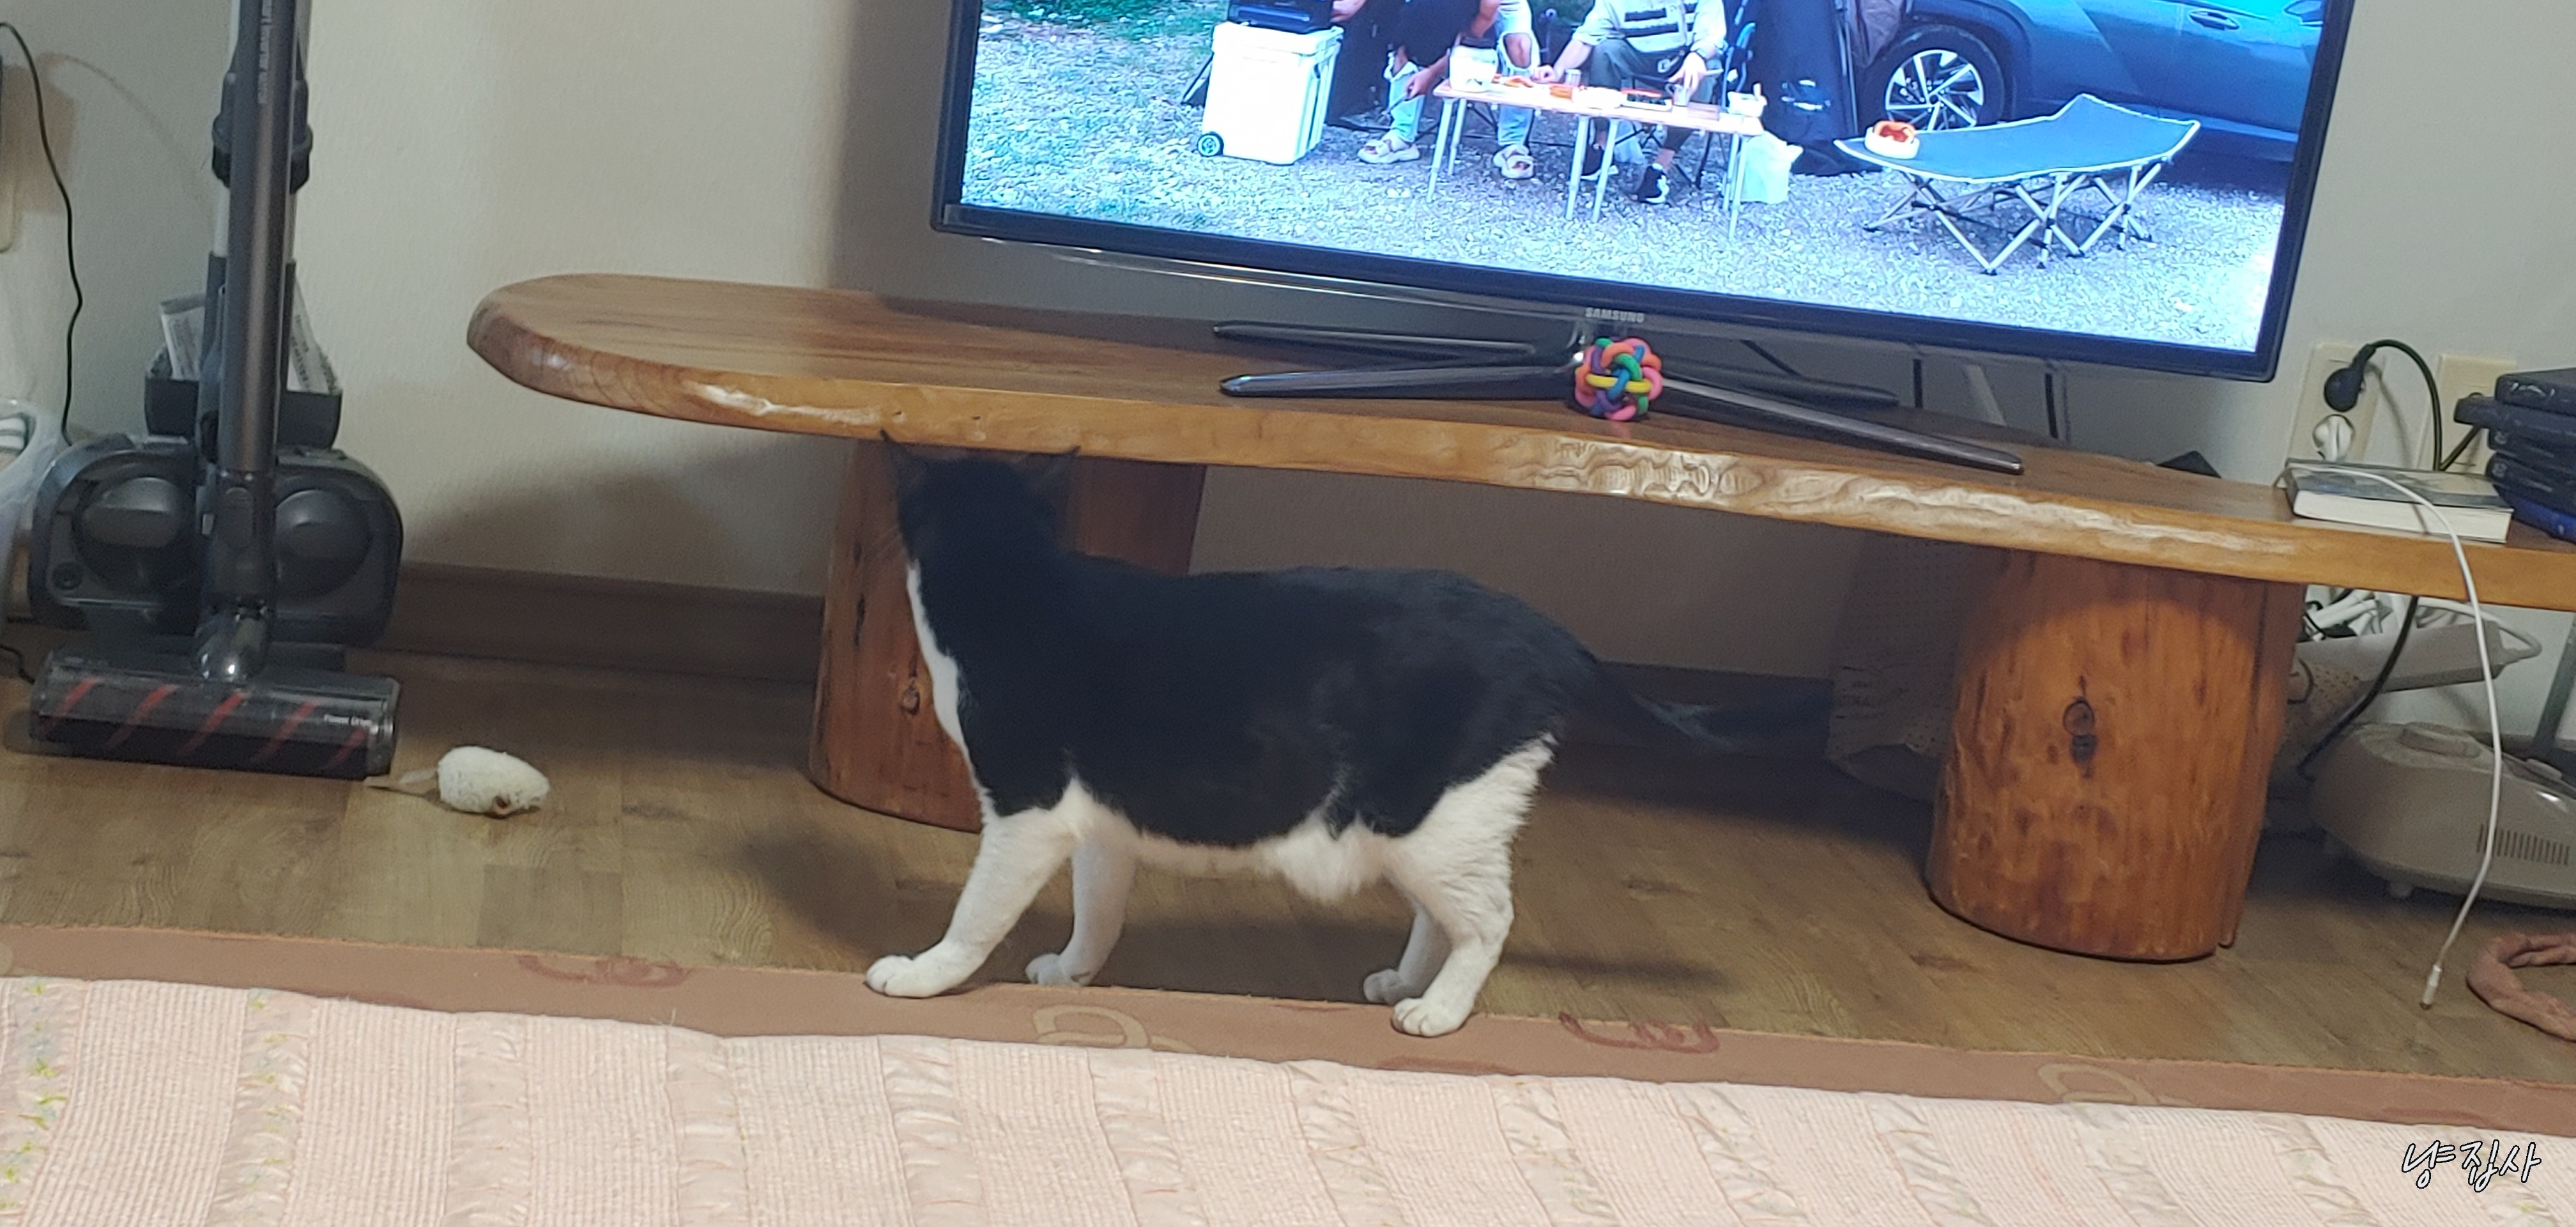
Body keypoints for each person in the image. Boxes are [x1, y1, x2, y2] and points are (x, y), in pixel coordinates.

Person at [1531, 0, 1729, 204]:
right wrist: (1557, 71)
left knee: (1707, 66)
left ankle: (1662, 164)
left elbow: (1712, 36)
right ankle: (1602, 145)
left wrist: (1698, 55)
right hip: (1640, 55)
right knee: (1607, 49)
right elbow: (1586, 37)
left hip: (1686, 58)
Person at [1353, 0, 1497, 166]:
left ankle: (1512, 143)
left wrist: (1432, 72)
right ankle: (1402, 134)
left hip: (1482, 24)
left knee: (1516, 46)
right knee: (1410, 23)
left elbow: (1483, 21)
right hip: (1428, 20)